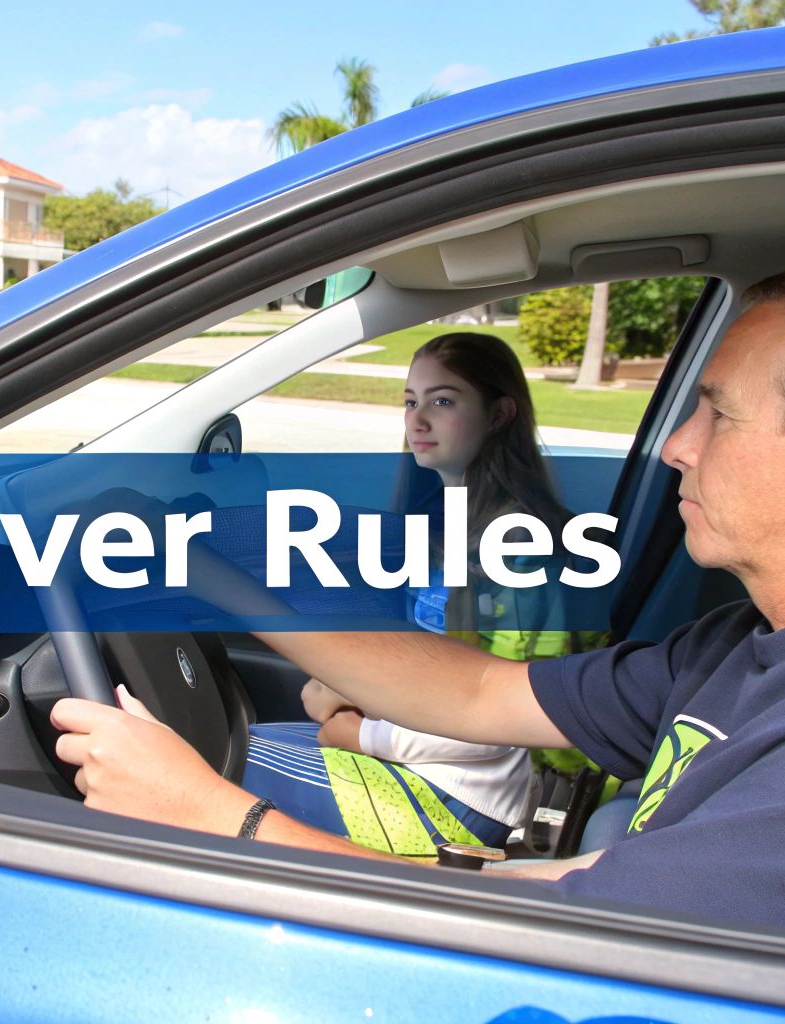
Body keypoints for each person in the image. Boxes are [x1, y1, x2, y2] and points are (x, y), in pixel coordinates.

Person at [52, 261, 785, 953]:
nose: (675, 446)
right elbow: (485, 692)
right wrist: (203, 575)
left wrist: (218, 817)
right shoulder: (765, 642)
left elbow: (539, 938)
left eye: (716, 414)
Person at [243, 332, 601, 855]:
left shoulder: (517, 547)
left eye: (443, 401)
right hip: (416, 757)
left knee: (207, 760)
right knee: (227, 740)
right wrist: (346, 687)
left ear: (499, 415)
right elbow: (427, 666)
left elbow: (501, 718)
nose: (418, 420)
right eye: (411, 402)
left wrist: (360, 733)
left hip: (461, 798)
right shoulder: (444, 526)